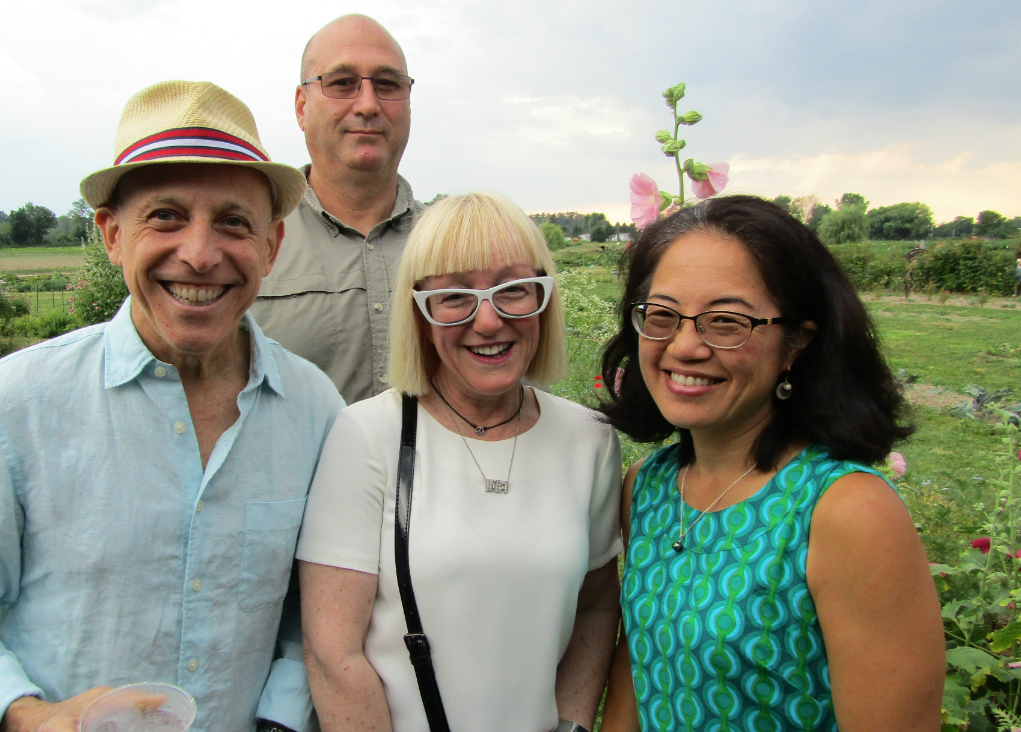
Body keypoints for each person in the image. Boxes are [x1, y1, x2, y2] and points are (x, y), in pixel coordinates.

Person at [0, 81, 345, 732]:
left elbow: (310, 617)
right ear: (112, 235)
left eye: (233, 223)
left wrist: (278, 719)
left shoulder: (313, 408)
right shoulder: (11, 405)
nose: (200, 253)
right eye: (166, 217)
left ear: (270, 246)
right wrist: (27, 717)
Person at [597, 196, 944, 731]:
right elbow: (639, 675)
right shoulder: (649, 486)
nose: (684, 346)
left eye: (727, 322)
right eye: (662, 316)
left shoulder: (846, 510)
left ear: (797, 343)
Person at [296, 192, 623, 732]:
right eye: (454, 296)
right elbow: (334, 656)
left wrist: (573, 726)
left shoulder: (589, 441)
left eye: (514, 289)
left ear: (545, 299)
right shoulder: (367, 437)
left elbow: (594, 608)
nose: (489, 321)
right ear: (419, 314)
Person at [249, 14, 422, 405]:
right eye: (342, 83)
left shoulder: (457, 249)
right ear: (301, 106)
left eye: (388, 84)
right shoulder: (246, 244)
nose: (367, 104)